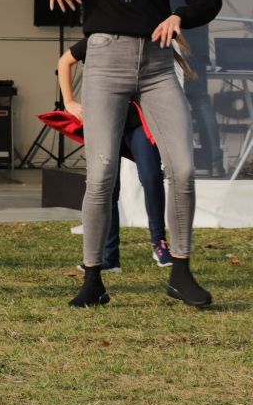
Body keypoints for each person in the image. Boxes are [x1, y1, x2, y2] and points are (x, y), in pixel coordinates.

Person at [21, 0, 221, 308]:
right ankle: (93, 279)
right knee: (101, 173)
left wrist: (179, 15)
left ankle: (180, 272)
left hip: (156, 66)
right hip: (105, 63)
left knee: (183, 169)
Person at [59, 38, 174, 268]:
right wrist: (69, 101)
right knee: (107, 186)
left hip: (136, 121)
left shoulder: (138, 37)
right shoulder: (97, 39)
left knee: (151, 176)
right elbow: (64, 61)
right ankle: (109, 258)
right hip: (105, 121)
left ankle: (159, 243)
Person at [173, 0, 224, 177]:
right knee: (200, 99)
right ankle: (215, 162)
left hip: (171, 37)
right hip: (197, 41)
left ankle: (173, 162)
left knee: (167, 101)